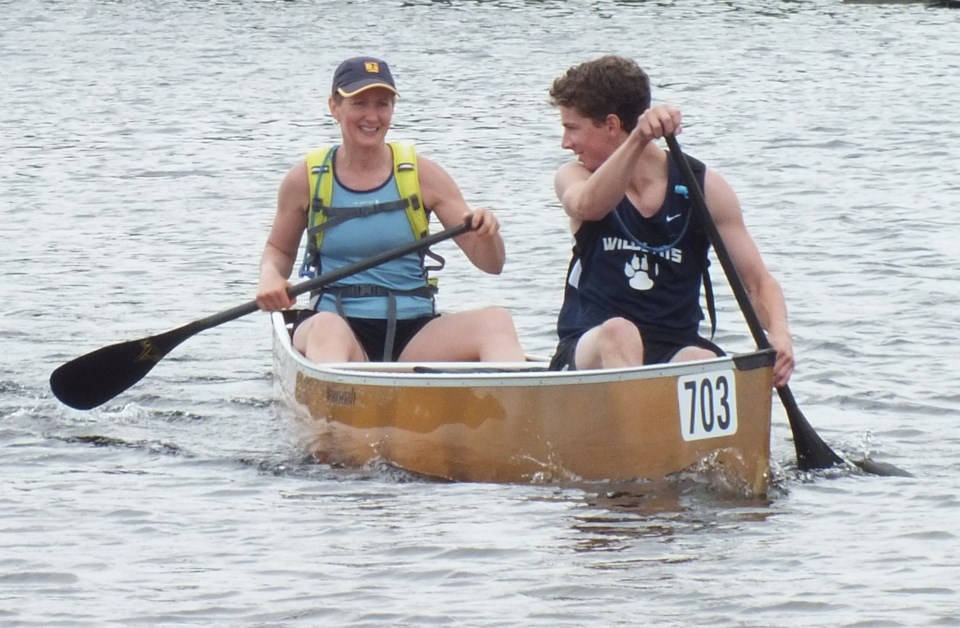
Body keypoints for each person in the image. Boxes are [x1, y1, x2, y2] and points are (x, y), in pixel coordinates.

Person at [256, 56, 525, 364]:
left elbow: (492, 264)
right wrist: (269, 278)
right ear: (334, 107)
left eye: (382, 104)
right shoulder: (305, 179)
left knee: (496, 322)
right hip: (335, 328)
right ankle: (338, 404)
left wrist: (488, 234)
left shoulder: (423, 175)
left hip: (414, 332)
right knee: (327, 330)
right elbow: (278, 250)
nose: (372, 116)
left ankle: (520, 407)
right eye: (359, 103)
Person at [547, 55, 794, 388]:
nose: (566, 143)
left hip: (672, 345)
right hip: (590, 347)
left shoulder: (703, 188)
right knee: (620, 333)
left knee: (704, 362)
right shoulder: (575, 176)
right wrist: (637, 138)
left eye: (571, 127)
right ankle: (642, 431)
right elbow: (587, 206)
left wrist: (779, 336)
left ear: (610, 125)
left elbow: (757, 282)